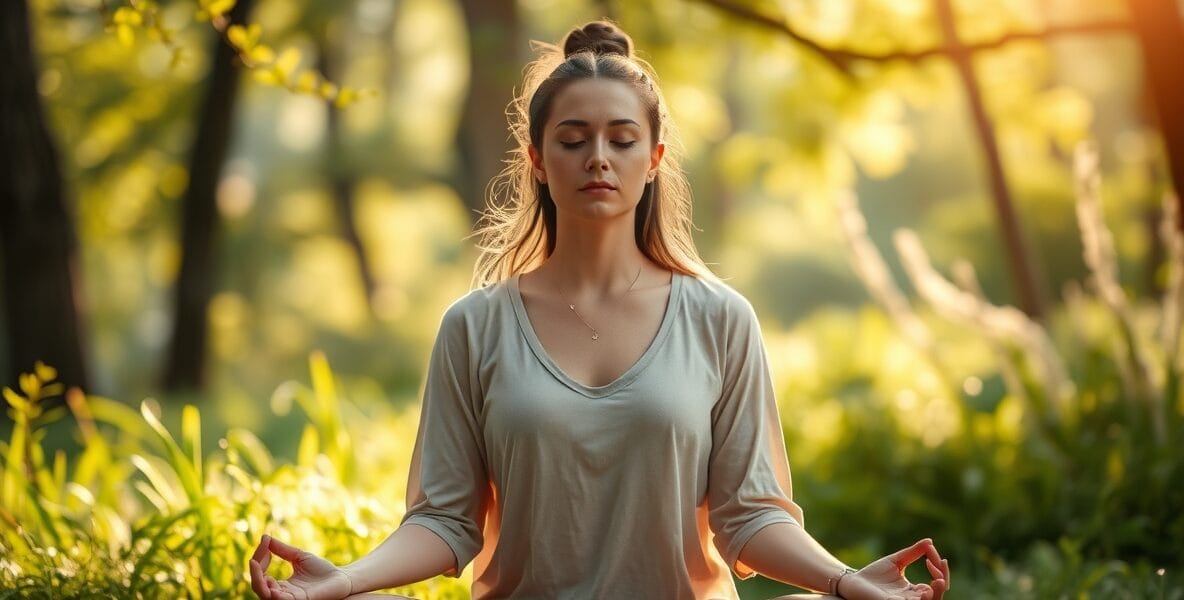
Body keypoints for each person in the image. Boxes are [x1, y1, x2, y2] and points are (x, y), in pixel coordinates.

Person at [248, 20, 950, 600]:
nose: (598, 159)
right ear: (536, 159)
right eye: (573, 139)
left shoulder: (720, 320)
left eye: (621, 139)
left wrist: (846, 582)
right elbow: (445, 520)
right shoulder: (474, 327)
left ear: (655, 158)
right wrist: (342, 583)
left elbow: (750, 515)